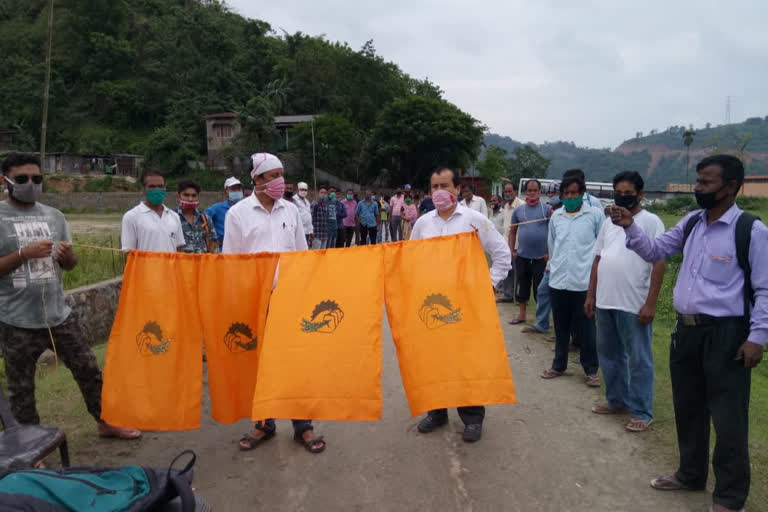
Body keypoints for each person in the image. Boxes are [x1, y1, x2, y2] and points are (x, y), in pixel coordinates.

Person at [610, 155, 767, 512]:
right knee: (689, 408)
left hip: (727, 336)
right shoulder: (693, 222)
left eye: (707, 183)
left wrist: (757, 337)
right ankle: (690, 474)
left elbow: (766, 289)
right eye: (697, 181)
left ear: (731, 187)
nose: (698, 188)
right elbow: (655, 250)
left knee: (729, 419)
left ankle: (729, 497)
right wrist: (629, 226)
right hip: (687, 333)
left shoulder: (751, 231)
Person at [0, 153, 140, 440]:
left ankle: (106, 421)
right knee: (21, 389)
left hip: (57, 315)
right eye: (22, 179)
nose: (31, 183)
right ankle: (29, 443)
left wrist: (68, 256)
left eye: (37, 178)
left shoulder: (55, 217)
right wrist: (23, 254)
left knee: (88, 368)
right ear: (5, 181)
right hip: (16, 320)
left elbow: (71, 264)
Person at [223, 152, 326, 454]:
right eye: (273, 176)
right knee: (259, 364)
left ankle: (303, 426)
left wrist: (305, 293)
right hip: (255, 302)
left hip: (289, 299)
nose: (280, 181)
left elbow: (301, 256)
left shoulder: (291, 211)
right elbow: (232, 264)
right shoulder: (238, 214)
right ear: (256, 179)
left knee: (295, 362)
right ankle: (263, 423)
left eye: (282, 174)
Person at [411, 166, 512, 443]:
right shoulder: (423, 224)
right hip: (432, 302)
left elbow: (502, 254)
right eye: (435, 187)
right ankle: (437, 411)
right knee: (434, 358)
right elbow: (411, 261)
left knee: (466, 359)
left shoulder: (475, 220)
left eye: (445, 186)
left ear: (457, 189)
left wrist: (488, 284)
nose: (440, 192)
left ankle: (472, 417)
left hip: (466, 303)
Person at [584, 171, 664, 433]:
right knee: (609, 354)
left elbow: (658, 263)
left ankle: (641, 411)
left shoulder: (651, 222)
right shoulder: (609, 222)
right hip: (606, 300)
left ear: (640, 194)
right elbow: (598, 259)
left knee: (639, 359)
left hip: (634, 302)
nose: (623, 197)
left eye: (629, 193)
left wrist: (651, 303)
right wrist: (591, 295)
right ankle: (616, 400)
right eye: (619, 192)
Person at [541, 175, 604, 387]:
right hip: (558, 280)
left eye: (574, 193)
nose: (570, 197)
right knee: (560, 326)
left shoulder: (595, 215)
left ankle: (591, 369)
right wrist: (551, 268)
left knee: (587, 327)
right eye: (566, 194)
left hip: (583, 281)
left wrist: (595, 283)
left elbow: (600, 248)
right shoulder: (556, 216)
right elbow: (552, 245)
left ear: (582, 194)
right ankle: (559, 365)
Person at [508, 180, 551, 325]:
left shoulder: (547, 209)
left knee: (540, 289)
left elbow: (554, 232)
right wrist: (512, 251)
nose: (532, 193)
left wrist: (549, 253)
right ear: (525, 192)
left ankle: (541, 320)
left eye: (535, 190)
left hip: (541, 258)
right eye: (529, 190)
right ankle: (521, 315)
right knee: (522, 286)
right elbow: (512, 232)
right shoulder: (519, 210)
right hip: (522, 256)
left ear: (540, 192)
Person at [522, 195, 563, 339]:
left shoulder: (565, 218)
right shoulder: (555, 218)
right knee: (543, 291)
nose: (553, 210)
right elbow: (552, 243)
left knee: (562, 299)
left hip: (565, 266)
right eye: (552, 207)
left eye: (555, 206)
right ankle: (542, 324)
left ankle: (565, 334)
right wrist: (549, 261)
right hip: (552, 264)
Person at [121, 169, 185, 252]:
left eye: (160, 186)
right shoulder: (131, 217)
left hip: (170, 265)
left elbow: (179, 249)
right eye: (152, 186)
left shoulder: (174, 216)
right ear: (143, 190)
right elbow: (128, 253)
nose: (157, 190)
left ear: (165, 188)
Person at [497, 182, 525, 304]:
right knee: (507, 271)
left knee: (520, 273)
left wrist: (515, 247)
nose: (508, 194)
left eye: (510, 191)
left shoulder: (522, 206)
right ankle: (508, 295)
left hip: (519, 245)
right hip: (506, 244)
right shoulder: (505, 207)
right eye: (506, 192)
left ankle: (520, 298)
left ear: (515, 191)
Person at [176, 179, 218, 254]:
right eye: (186, 195)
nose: (190, 199)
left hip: (203, 264)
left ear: (198, 197)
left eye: (194, 195)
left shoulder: (205, 218)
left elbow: (214, 245)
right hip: (180, 264)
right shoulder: (172, 218)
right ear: (179, 197)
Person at [205, 177, 243, 248]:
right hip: (223, 249)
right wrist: (213, 238)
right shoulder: (217, 208)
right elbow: (202, 219)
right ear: (226, 190)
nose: (237, 191)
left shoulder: (245, 208)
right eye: (233, 189)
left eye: (239, 189)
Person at [292, 181, 313, 247]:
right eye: (302, 189)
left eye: (305, 190)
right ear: (297, 190)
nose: (304, 191)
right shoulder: (293, 200)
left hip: (307, 232)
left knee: (305, 249)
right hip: (298, 231)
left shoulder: (307, 201)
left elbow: (309, 216)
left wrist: (311, 231)